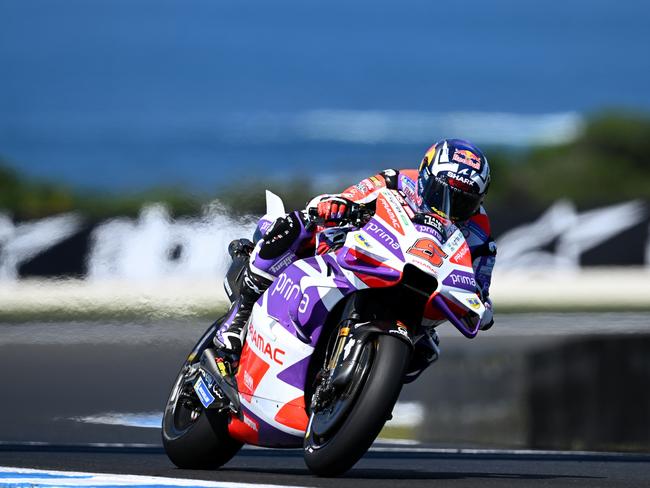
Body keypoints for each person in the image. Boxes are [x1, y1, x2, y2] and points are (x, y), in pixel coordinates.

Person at [215, 138, 496, 362]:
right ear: (424, 177)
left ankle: (356, 392)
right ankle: (241, 314)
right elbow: (350, 196)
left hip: (415, 288)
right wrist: (337, 205)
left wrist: (481, 307)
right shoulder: (398, 180)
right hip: (364, 253)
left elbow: (479, 288)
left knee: (426, 352)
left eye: (463, 202)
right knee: (297, 224)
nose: (448, 206)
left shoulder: (480, 234)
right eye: (441, 192)